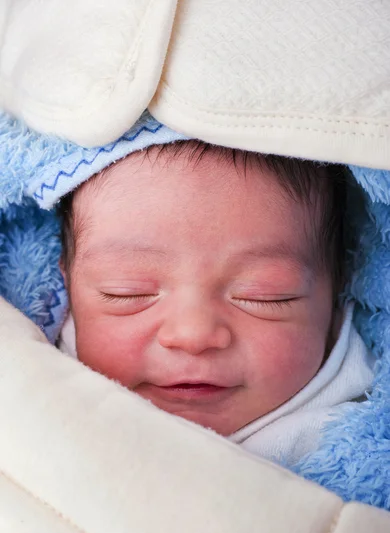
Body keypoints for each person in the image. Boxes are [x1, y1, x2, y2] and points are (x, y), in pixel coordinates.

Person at [58, 139, 374, 467]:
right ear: (68, 286)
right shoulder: (33, 384)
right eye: (127, 292)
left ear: (337, 292)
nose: (193, 335)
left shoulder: (361, 441)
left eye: (263, 295)